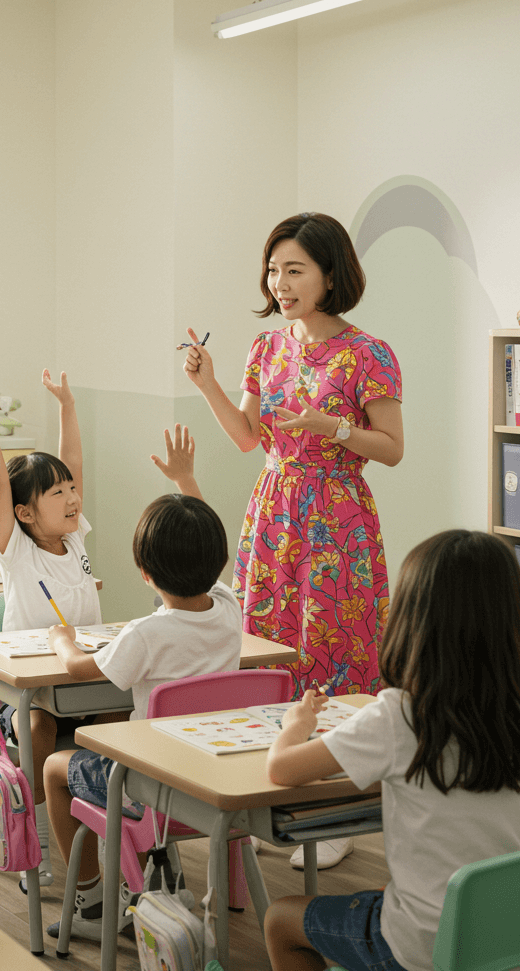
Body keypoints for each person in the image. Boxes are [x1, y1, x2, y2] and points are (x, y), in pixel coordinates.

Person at [182, 213, 404, 869]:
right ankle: (268, 791)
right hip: (274, 513)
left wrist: (334, 427)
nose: (280, 282)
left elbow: (392, 450)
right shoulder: (265, 347)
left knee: (338, 654)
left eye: (295, 269)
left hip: (338, 519)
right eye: (274, 269)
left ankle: (333, 805)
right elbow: (249, 439)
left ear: (331, 274)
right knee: (268, 649)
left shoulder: (369, 353)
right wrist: (207, 385)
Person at [262, 529, 520, 971]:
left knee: (280, 921)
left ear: (414, 620)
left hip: (422, 948)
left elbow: (281, 769)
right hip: (519, 947)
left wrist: (296, 725)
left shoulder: (400, 716)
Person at [42, 486, 242, 941]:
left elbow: (76, 668)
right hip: (215, 778)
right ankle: (158, 875)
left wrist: (61, 639)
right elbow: (209, 560)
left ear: (145, 573)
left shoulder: (145, 635)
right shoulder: (231, 611)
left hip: (150, 789)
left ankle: (90, 901)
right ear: (219, 562)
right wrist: (188, 481)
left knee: (56, 767)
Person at [0, 367, 100, 890]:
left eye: (69, 490)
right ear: (23, 512)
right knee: (39, 730)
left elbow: (75, 462)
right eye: (56, 493)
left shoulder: (75, 537)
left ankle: (121, 826)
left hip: (82, 678)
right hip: (25, 691)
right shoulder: (15, 549)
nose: (70, 498)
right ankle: (35, 835)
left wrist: (66, 404)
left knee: (128, 712)